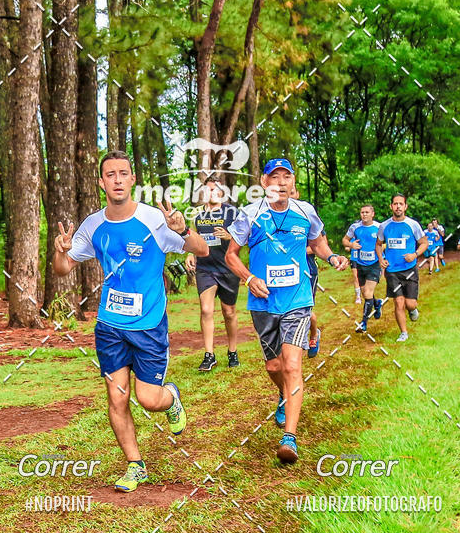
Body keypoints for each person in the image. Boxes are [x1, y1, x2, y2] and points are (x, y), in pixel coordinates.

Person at [53, 150, 209, 493]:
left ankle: (171, 398)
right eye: (111, 174)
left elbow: (201, 251)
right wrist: (60, 250)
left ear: (133, 178)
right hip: (110, 326)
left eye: (123, 173)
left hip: (149, 324)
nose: (118, 179)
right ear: (101, 182)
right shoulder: (93, 225)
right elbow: (63, 268)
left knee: (149, 399)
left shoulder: (155, 220)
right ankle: (135, 465)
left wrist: (183, 230)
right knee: (117, 397)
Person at [225, 158, 348, 464]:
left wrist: (331, 257)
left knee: (292, 365)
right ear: (264, 183)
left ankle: (289, 438)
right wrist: (249, 278)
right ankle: (283, 395)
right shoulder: (250, 214)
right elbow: (231, 256)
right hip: (263, 302)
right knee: (274, 367)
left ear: (294, 183)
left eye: (286, 176)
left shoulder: (305, 211)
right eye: (273, 176)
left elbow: (318, 242)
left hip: (297, 299)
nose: (280, 182)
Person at [185, 178, 240, 371]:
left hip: (228, 268)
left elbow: (246, 237)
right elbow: (195, 239)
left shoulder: (232, 213)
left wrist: (230, 236)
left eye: (216, 189)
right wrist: (191, 254)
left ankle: (232, 351)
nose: (212, 192)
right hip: (206, 269)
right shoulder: (199, 216)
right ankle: (209, 355)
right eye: (208, 190)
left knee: (229, 312)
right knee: (206, 310)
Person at [376, 194, 428, 343]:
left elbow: (424, 243)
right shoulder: (384, 226)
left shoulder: (413, 225)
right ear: (391, 206)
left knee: (410, 303)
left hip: (410, 269)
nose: (398, 206)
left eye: (401, 204)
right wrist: (381, 259)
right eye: (395, 204)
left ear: (405, 207)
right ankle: (403, 332)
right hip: (392, 271)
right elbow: (378, 244)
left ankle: (412, 309)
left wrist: (415, 254)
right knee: (398, 302)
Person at [342, 205, 383, 333]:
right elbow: (344, 240)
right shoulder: (355, 227)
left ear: (372, 214)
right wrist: (351, 244)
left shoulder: (379, 227)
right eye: (362, 212)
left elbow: (386, 242)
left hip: (375, 264)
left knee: (367, 293)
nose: (364, 214)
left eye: (367, 212)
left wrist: (383, 256)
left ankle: (363, 322)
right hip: (360, 264)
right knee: (365, 292)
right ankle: (377, 303)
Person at [291, 187, 321, 358]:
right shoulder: (275, 217)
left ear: (298, 194)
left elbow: (318, 246)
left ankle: (314, 335)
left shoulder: (307, 214)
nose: (290, 196)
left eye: (293, 192)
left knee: (306, 310)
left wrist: (297, 251)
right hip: (284, 275)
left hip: (307, 270)